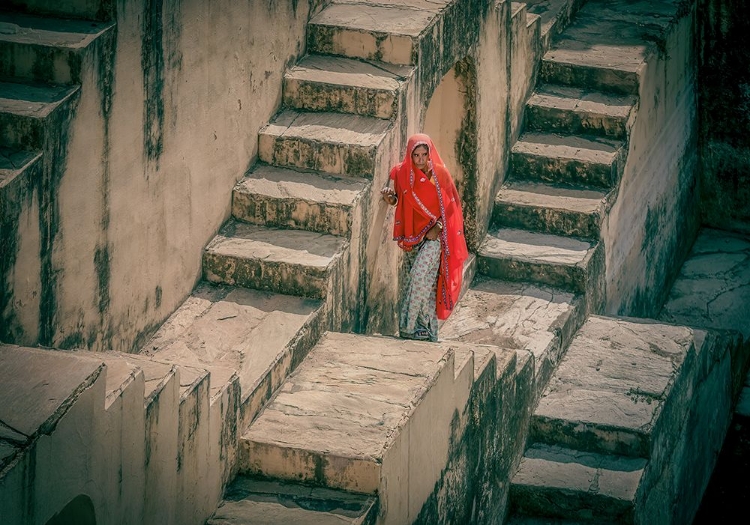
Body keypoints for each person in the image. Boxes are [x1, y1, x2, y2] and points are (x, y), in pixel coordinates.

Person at [381, 133, 468, 341]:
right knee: (425, 285)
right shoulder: (401, 173)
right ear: (410, 155)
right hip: (412, 238)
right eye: (416, 155)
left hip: (434, 239)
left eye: (424, 154)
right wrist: (390, 198)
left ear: (430, 154)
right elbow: (398, 200)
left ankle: (408, 327)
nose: (420, 159)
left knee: (419, 277)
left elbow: (451, 206)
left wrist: (437, 227)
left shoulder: (440, 174)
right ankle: (427, 330)